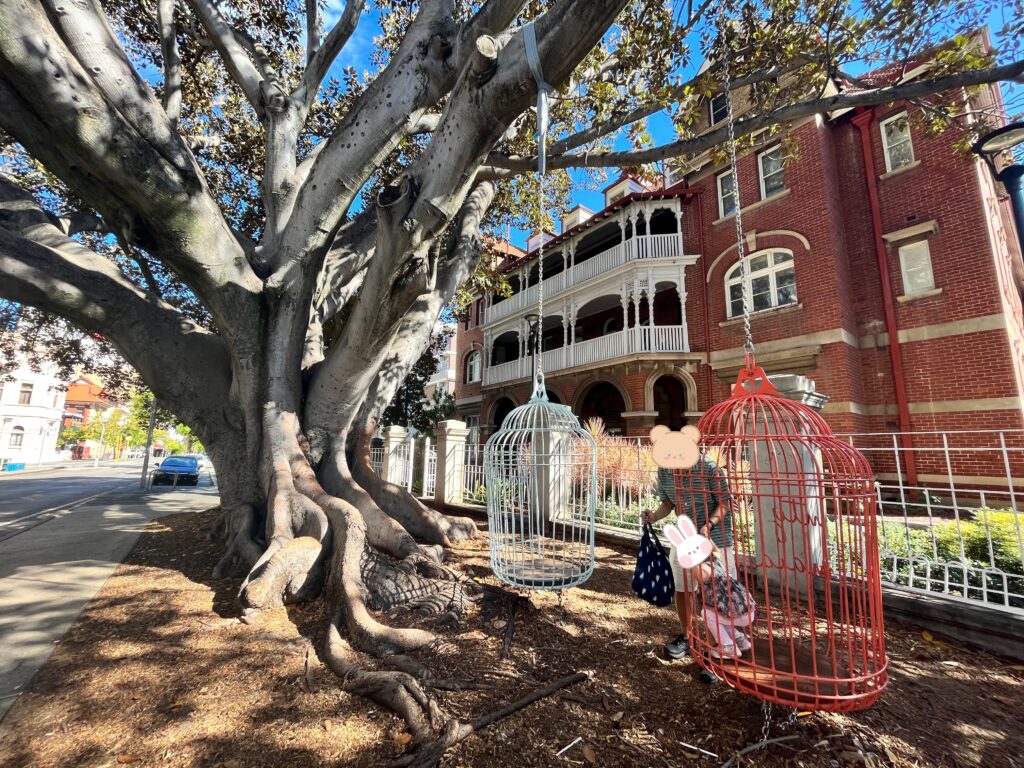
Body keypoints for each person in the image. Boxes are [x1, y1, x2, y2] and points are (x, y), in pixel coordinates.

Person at [641, 449, 736, 663]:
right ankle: (688, 637)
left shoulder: (708, 467)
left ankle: (717, 648)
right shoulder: (664, 469)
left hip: (715, 540)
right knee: (682, 589)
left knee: (714, 596)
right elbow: (668, 503)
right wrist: (654, 516)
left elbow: (725, 503)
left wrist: (709, 525)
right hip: (684, 539)